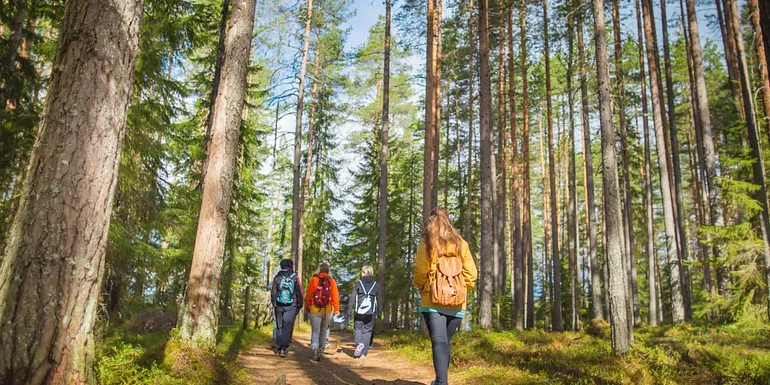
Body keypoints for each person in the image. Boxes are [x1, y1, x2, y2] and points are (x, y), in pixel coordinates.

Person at [413, 208, 478, 385]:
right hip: (457, 304)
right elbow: (471, 274)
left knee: (439, 342)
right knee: (445, 342)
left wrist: (423, 287)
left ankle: (442, 382)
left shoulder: (427, 242)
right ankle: (440, 381)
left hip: (432, 301)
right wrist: (460, 291)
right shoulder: (461, 244)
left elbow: (420, 270)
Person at [304, 262, 340, 361]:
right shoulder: (331, 281)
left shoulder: (314, 280)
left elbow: (309, 295)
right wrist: (336, 309)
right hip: (328, 310)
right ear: (328, 270)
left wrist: (307, 307)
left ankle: (314, 347)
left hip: (315, 309)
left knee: (315, 331)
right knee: (323, 331)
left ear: (319, 270)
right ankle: (321, 351)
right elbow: (335, 296)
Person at [270, 259, 304, 358]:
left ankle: (279, 346)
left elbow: (273, 291)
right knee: (287, 326)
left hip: (279, 305)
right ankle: (284, 348)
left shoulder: (277, 276)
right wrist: (299, 304)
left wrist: (274, 303)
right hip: (291, 305)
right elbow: (299, 291)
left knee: (279, 326)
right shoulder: (294, 276)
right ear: (291, 265)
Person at [348, 265, 380, 359]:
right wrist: (379, 312)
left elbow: (352, 298)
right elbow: (379, 299)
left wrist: (349, 311)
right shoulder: (376, 285)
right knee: (367, 331)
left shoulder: (358, 284)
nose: (361, 273)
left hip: (359, 312)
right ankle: (363, 354)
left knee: (358, 328)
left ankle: (359, 343)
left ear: (365, 272)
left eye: (362, 271)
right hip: (371, 312)